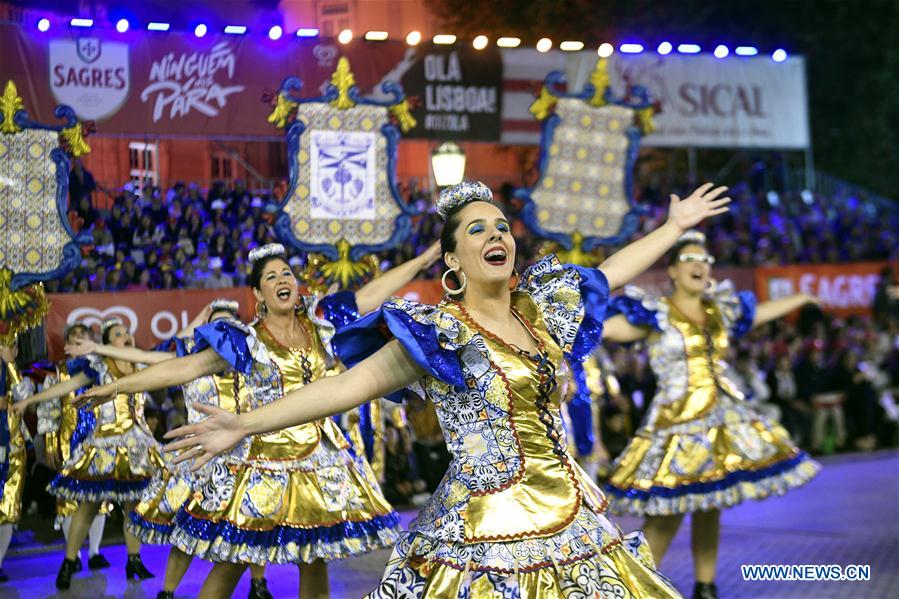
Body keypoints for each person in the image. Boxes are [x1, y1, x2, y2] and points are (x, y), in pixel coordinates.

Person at [131, 180, 732, 598]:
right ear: (452, 258)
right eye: (478, 229)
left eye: (502, 227)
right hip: (485, 530)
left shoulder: (541, 311)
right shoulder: (438, 333)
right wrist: (242, 424)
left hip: (573, 516)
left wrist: (673, 227)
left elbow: (610, 272)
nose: (497, 235)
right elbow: (349, 387)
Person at [76, 243, 442, 599]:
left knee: (315, 558)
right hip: (265, 460)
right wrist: (116, 387)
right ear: (257, 294)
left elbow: (369, 296)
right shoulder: (246, 339)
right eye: (271, 276)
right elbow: (183, 367)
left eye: (287, 273)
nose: (283, 279)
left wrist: (425, 259)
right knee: (234, 559)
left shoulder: (319, 323)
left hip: (320, 459)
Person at [600, 230, 821, 599]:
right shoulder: (656, 311)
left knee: (709, 505)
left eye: (705, 259)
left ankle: (706, 587)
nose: (700, 265)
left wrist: (802, 297)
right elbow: (607, 328)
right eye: (690, 259)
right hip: (676, 424)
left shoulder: (718, 309)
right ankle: (635, 590)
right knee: (666, 513)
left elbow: (759, 314)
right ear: (672, 271)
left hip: (723, 418)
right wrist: (567, 327)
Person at [14, 319, 165, 590]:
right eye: (118, 333)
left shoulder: (141, 364)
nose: (126, 335)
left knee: (133, 505)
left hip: (137, 446)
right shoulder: (100, 366)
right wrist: (29, 401)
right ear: (106, 343)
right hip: (105, 445)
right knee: (89, 505)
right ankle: (69, 561)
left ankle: (134, 559)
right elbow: (65, 386)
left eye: (127, 332)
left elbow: (173, 357)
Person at [36, 323, 111, 573]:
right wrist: (49, 443)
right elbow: (48, 408)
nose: (78, 338)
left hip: (96, 441)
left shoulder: (100, 369)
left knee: (98, 498)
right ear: (67, 342)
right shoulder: (58, 372)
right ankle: (74, 555)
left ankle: (95, 552)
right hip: (68, 442)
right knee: (68, 499)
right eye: (74, 335)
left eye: (83, 335)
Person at [0, 341, 34, 583]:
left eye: (8, 345)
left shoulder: (23, 379)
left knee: (8, 509)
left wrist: (10, 364)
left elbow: (26, 399)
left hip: (13, 450)